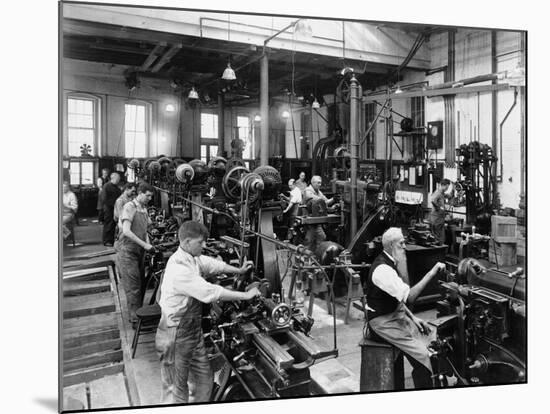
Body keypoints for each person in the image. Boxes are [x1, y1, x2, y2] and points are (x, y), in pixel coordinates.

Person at [155, 221, 261, 404]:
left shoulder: (191, 257)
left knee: (204, 380)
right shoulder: (178, 268)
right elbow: (211, 292)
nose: (204, 246)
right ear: (187, 242)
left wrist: (239, 270)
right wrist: (246, 295)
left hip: (192, 333)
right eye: (200, 242)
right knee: (177, 389)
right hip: (175, 334)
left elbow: (212, 265)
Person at [365, 227, 446, 389]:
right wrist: (432, 272)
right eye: (401, 243)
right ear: (390, 245)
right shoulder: (383, 270)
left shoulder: (391, 263)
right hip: (382, 323)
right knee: (424, 357)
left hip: (395, 315)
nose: (404, 247)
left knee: (431, 340)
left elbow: (399, 300)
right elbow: (409, 297)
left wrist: (414, 318)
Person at [115, 182, 155, 326]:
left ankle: (138, 314)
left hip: (139, 251)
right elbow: (126, 230)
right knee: (133, 286)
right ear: (140, 193)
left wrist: (149, 245)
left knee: (140, 283)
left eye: (151, 196)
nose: (149, 198)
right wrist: (146, 245)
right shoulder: (129, 207)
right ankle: (134, 319)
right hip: (128, 251)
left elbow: (145, 232)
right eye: (147, 195)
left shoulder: (144, 209)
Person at [302, 175, 335, 254]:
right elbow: (316, 199)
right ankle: (307, 257)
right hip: (309, 221)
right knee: (310, 239)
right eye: (318, 183)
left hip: (316, 220)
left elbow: (325, 201)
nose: (320, 185)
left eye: (320, 183)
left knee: (320, 237)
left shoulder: (318, 192)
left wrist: (334, 199)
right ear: (312, 182)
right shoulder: (307, 190)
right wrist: (323, 201)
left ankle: (316, 255)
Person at [429, 178, 452, 244]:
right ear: (443, 185)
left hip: (440, 219)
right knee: (438, 238)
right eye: (447, 187)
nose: (447, 189)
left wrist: (453, 190)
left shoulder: (442, 193)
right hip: (436, 219)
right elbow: (433, 200)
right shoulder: (438, 193)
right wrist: (439, 208)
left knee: (440, 238)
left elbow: (448, 196)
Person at [102, 172, 122, 246]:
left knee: (113, 224)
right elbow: (104, 199)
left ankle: (111, 240)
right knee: (108, 224)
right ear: (113, 178)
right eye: (118, 179)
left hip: (114, 208)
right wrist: (113, 204)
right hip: (109, 208)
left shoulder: (116, 187)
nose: (119, 180)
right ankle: (106, 241)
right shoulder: (106, 186)